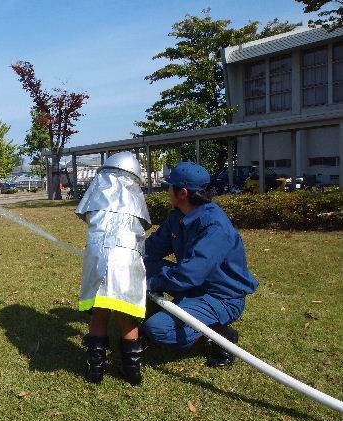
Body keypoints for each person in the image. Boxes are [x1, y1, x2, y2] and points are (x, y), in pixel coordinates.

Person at [142, 161, 259, 367]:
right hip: (192, 285)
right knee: (140, 265)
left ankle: (220, 335)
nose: (167, 190)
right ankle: (157, 311)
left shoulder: (214, 226)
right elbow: (151, 249)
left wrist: (153, 282)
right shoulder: (178, 216)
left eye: (169, 186)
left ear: (183, 193)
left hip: (219, 296)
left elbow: (189, 275)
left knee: (157, 329)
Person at [75, 152, 151, 385]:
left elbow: (88, 215)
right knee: (126, 316)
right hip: (127, 260)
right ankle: (132, 372)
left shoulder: (100, 187)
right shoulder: (135, 196)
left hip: (98, 256)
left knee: (99, 314)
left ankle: (95, 371)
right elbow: (143, 226)